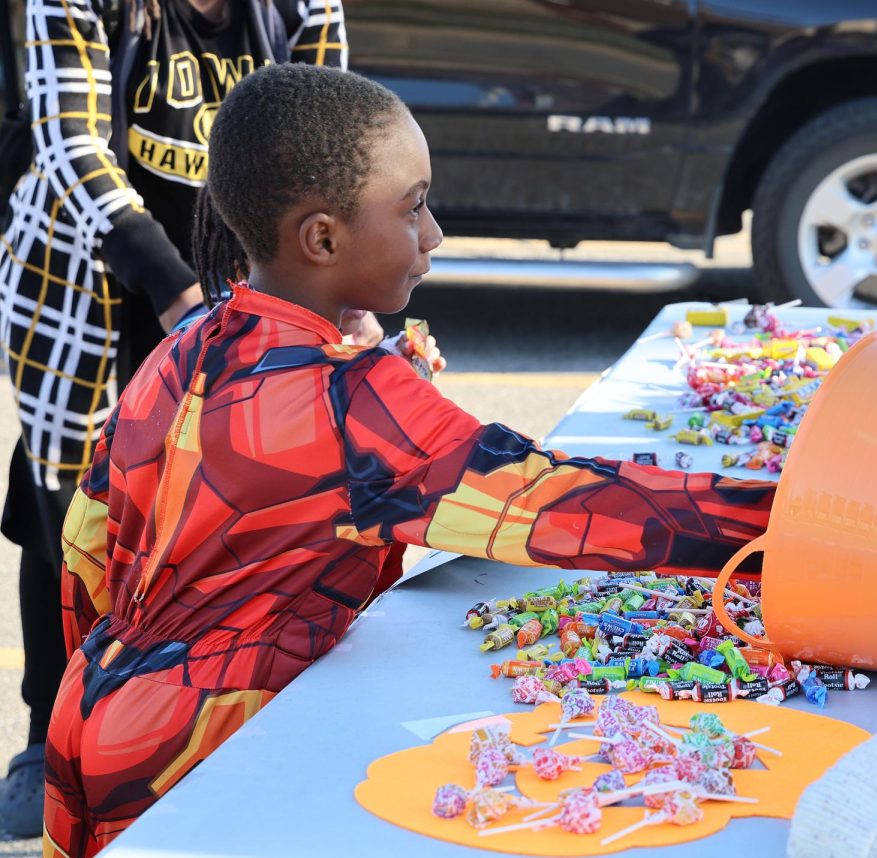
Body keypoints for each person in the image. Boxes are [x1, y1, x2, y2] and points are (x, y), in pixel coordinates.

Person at [41, 63, 777, 856]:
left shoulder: (182, 348)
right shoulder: (356, 400)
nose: (434, 234)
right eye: (414, 207)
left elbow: (86, 550)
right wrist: (799, 515)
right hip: (217, 745)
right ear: (323, 238)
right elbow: (574, 507)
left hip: (92, 711)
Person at [0, 0, 347, 838]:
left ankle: (206, 736)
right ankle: (52, 740)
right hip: (87, 271)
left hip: (238, 270)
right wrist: (172, 288)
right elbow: (71, 144)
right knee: (71, 511)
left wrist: (340, 282)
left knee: (233, 509)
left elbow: (336, 137)